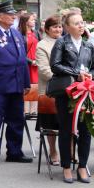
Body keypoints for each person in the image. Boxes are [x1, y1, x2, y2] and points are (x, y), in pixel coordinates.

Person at [50, 11, 94, 183]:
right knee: (66, 130)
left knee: (85, 130)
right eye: (76, 23)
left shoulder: (88, 45)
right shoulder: (61, 42)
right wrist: (76, 73)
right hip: (67, 93)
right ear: (67, 27)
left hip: (85, 92)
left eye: (82, 22)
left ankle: (82, 166)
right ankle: (66, 166)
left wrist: (91, 75)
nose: (81, 26)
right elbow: (55, 65)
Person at [0, 0, 33, 166]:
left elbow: (22, 60)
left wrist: (26, 83)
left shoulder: (16, 34)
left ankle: (14, 152)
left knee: (16, 120)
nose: (14, 16)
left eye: (14, 14)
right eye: (9, 14)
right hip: (0, 85)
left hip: (16, 84)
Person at [35, 15, 63, 165]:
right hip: (50, 90)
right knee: (51, 125)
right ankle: (53, 151)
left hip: (68, 90)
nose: (58, 29)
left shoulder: (66, 42)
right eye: (54, 27)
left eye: (60, 26)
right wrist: (65, 79)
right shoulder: (42, 45)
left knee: (69, 123)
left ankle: (70, 151)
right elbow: (44, 70)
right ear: (47, 29)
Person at [19, 13, 40, 114]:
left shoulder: (36, 32)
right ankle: (26, 110)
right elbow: (19, 52)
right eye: (32, 20)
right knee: (27, 85)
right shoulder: (19, 34)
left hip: (36, 62)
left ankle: (33, 110)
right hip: (26, 63)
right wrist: (31, 61)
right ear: (26, 22)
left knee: (35, 85)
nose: (34, 21)